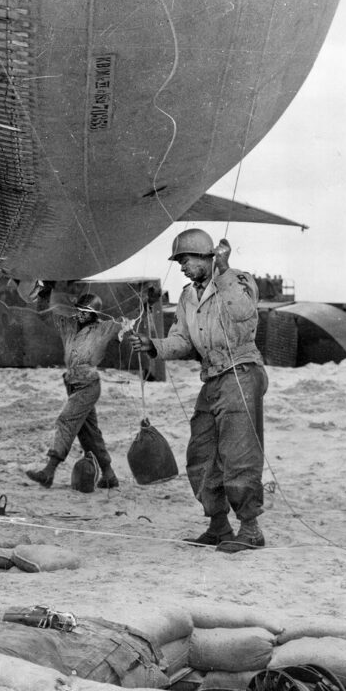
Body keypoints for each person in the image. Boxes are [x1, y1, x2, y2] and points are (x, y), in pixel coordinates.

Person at [130, 229, 268, 552]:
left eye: (186, 260)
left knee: (239, 453)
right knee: (201, 452)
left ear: (207, 256)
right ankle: (218, 524)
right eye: (179, 262)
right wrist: (155, 346)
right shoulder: (188, 298)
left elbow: (243, 315)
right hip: (213, 378)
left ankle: (250, 528)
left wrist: (223, 271)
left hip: (241, 372)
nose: (182, 267)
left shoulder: (239, 281)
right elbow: (183, 340)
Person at [26, 289, 121, 489]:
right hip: (72, 383)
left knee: (66, 421)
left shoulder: (104, 328)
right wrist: (43, 296)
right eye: (79, 310)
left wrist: (147, 301)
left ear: (94, 314)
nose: (81, 314)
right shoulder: (68, 326)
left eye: (85, 311)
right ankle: (109, 475)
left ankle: (49, 471)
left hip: (89, 385)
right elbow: (45, 317)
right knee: (89, 433)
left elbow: (128, 323)